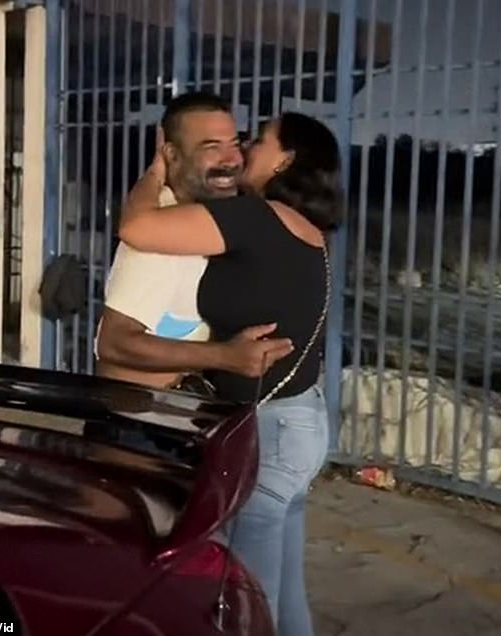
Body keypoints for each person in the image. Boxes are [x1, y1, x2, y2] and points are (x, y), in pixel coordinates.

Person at [118, 111, 344, 636]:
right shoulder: (307, 229)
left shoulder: (256, 219)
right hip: (299, 424)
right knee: (283, 601)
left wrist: (155, 171)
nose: (244, 149)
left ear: (287, 159)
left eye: (259, 140)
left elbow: (136, 228)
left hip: (270, 432)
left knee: (246, 606)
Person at [95, 92, 293, 390]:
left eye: (235, 145)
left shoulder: (211, 223)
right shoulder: (158, 233)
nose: (231, 160)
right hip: (135, 417)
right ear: (172, 155)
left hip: (175, 414)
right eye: (211, 148)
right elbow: (114, 343)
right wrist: (225, 357)